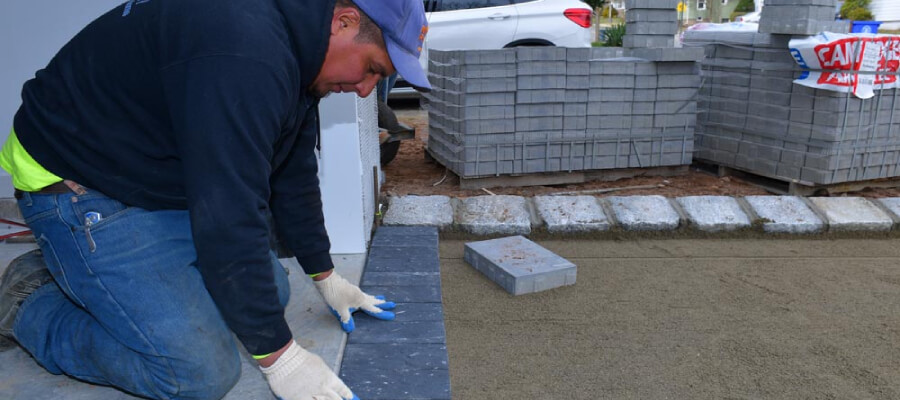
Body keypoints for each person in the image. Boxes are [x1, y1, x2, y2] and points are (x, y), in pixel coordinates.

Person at [0, 0, 431, 398]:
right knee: (198, 371)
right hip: (79, 184)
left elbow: (291, 171)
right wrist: (282, 360)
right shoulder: (243, 54)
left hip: (143, 173)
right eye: (372, 68)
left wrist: (326, 276)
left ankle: (79, 269)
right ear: (344, 21)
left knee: (270, 293)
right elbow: (228, 213)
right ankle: (28, 302)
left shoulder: (297, 50)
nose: (364, 90)